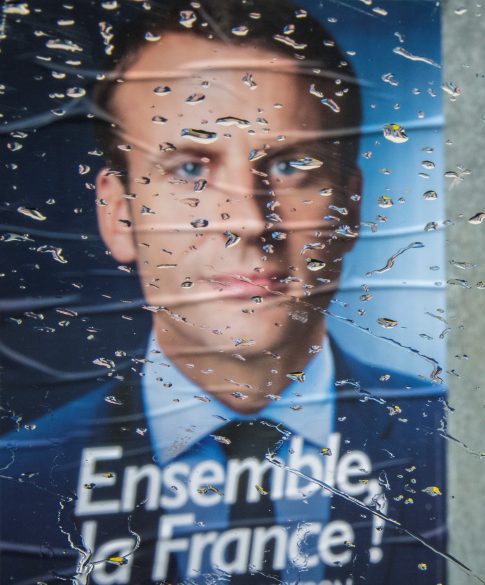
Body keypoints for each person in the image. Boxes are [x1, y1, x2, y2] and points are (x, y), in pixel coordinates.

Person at [0, 2, 445, 583]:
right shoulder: (15, 489)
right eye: (190, 169)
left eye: (292, 165)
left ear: (349, 205)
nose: (251, 220)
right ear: (119, 213)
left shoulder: (458, 447)